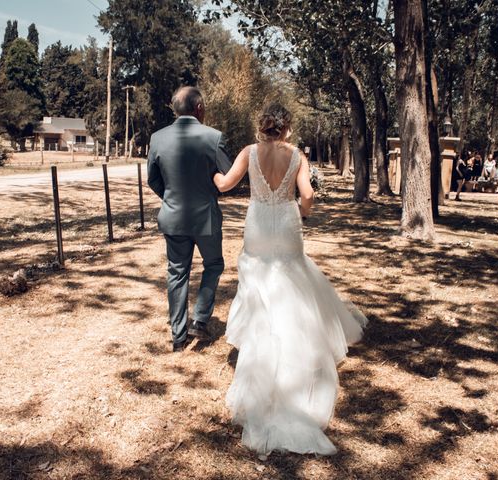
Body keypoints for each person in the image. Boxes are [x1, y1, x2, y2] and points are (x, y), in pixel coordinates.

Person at [213, 103, 367, 456]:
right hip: (285, 222)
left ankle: (261, 344)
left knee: (258, 279)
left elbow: (224, 185)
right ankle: (297, 349)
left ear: (262, 125)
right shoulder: (296, 155)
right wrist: (302, 212)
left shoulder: (249, 152)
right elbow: (309, 194)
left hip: (258, 226)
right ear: (286, 127)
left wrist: (212, 175)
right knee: (292, 281)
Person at [147, 86, 232, 352]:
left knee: (177, 273)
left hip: (173, 216)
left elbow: (153, 179)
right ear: (199, 108)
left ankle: (178, 337)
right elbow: (228, 176)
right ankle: (200, 319)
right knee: (214, 264)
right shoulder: (214, 137)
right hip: (205, 216)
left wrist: (171, 197)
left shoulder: (157, 138)